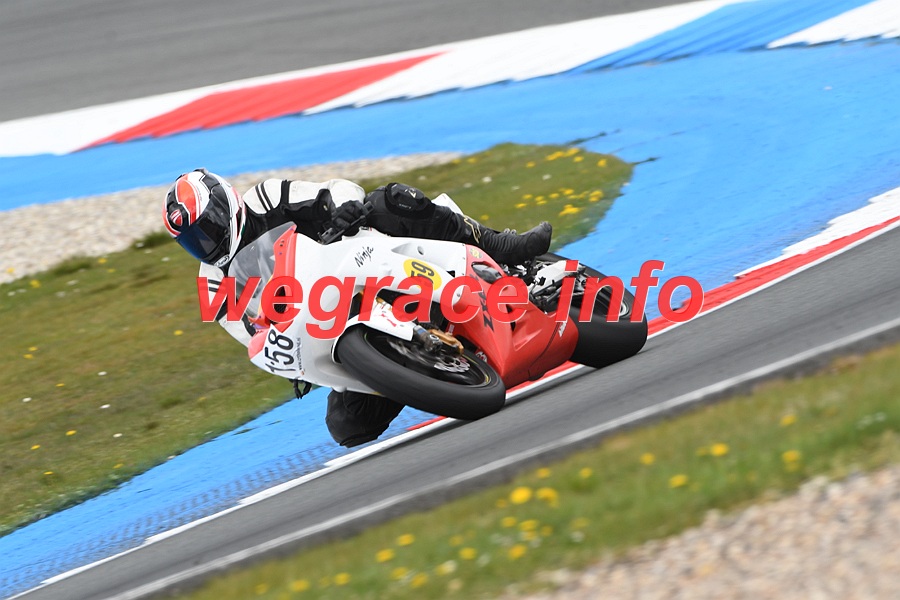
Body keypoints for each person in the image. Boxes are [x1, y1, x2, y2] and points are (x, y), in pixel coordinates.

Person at [163, 168, 552, 447]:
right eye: (194, 240)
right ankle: (416, 367)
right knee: (347, 426)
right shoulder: (214, 285)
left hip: (358, 256)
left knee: (388, 201)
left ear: (226, 202)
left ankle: (497, 245)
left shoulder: (266, 197)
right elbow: (255, 335)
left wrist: (345, 208)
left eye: (208, 226)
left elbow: (335, 189)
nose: (207, 242)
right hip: (324, 322)